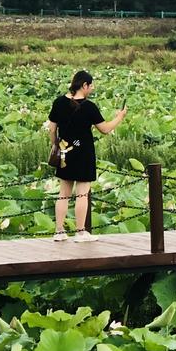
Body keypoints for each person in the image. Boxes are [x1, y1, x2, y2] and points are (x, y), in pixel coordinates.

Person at [45, 70, 125, 242]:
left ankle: (59, 231)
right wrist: (119, 117)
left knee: (63, 193)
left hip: (65, 152)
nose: (92, 88)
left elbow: (51, 128)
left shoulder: (59, 102)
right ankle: (80, 232)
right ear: (84, 85)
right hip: (84, 153)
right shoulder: (89, 107)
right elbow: (105, 129)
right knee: (82, 193)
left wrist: (55, 145)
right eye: (91, 85)